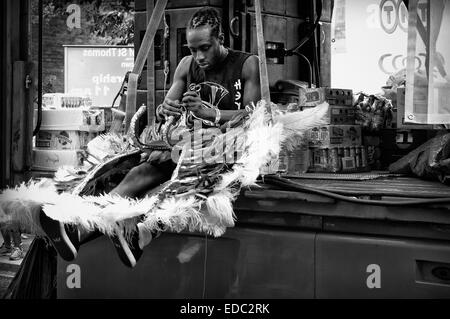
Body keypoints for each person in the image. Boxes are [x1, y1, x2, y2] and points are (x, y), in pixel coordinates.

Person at [38, 7, 261, 268]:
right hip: (186, 146)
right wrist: (165, 109)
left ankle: (135, 236)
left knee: (177, 185)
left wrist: (210, 113)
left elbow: (252, 116)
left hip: (224, 152)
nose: (198, 56)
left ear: (220, 39)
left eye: (205, 48)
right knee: (138, 174)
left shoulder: (247, 64)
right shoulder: (187, 65)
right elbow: (166, 108)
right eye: (192, 49)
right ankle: (79, 231)